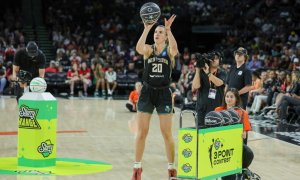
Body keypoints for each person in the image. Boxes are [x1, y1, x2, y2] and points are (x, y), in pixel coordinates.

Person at [132, 15, 178, 180]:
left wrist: (169, 30)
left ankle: (171, 168)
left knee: (166, 133)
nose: (157, 34)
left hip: (164, 93)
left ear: (165, 36)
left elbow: (175, 48)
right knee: (142, 132)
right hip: (147, 92)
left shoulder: (169, 51)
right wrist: (146, 29)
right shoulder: (149, 50)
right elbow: (138, 48)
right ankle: (137, 167)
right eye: (156, 32)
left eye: (160, 32)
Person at [215, 88, 253, 180]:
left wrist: (242, 132)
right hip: (221, 144)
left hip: (236, 144)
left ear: (236, 99)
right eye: (227, 96)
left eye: (231, 97)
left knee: (249, 154)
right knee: (228, 174)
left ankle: (241, 170)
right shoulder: (218, 110)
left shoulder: (243, 113)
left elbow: (244, 134)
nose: (229, 99)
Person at [192, 52, 226, 128]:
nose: (214, 60)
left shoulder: (222, 73)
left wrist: (208, 73)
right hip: (202, 108)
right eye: (212, 58)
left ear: (220, 60)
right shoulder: (201, 72)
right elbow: (195, 86)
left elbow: (219, 83)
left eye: (216, 58)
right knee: (200, 133)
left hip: (217, 109)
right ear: (208, 60)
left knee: (215, 134)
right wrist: (197, 71)